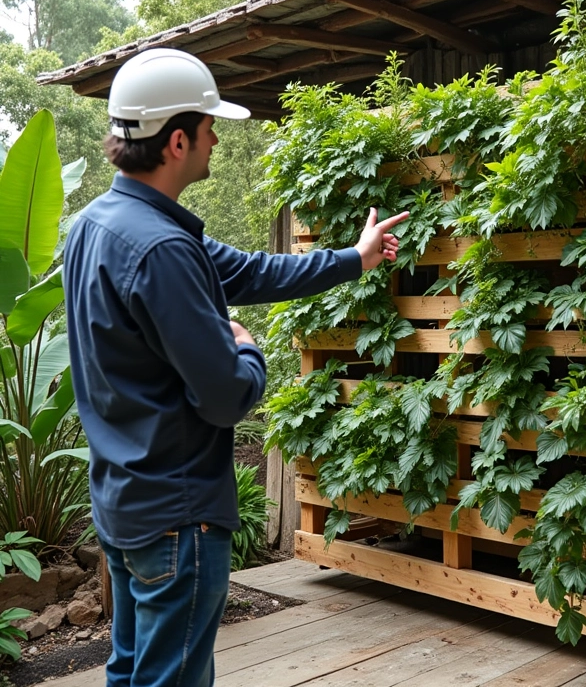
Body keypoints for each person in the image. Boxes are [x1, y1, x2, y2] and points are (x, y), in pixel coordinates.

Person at [63, 48, 408, 687]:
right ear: (177, 141)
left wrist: (354, 259)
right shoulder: (162, 248)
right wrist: (247, 348)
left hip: (124, 504)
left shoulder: (99, 225)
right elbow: (225, 396)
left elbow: (251, 271)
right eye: (208, 125)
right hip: (178, 514)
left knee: (131, 672)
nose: (216, 138)